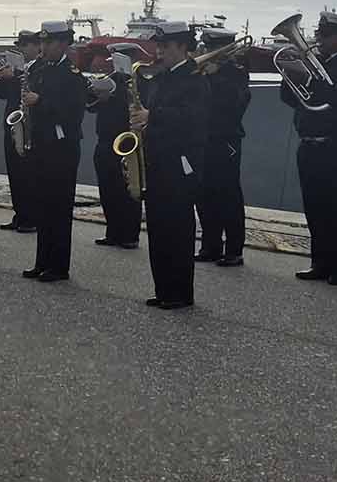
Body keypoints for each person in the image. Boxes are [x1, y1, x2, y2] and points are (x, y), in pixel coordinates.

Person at [279, 11, 337, 285]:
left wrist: (313, 81)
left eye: (324, 34)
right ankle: (320, 263)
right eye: (319, 33)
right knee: (315, 207)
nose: (318, 39)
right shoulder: (314, 63)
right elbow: (290, 98)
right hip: (310, 144)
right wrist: (291, 74)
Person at [134, 22, 208, 308]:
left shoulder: (195, 79)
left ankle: (180, 293)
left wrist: (151, 116)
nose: (159, 51)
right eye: (159, 46)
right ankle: (164, 288)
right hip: (158, 160)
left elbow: (192, 118)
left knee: (177, 229)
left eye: (165, 46)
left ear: (182, 47)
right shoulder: (162, 77)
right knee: (159, 228)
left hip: (179, 162)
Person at [22, 21, 87, 283]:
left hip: (62, 148)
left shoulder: (72, 75)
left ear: (62, 44)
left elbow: (73, 111)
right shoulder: (39, 69)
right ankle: (42, 261)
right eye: (42, 42)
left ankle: (58, 266)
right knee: (43, 206)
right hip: (41, 143)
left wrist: (40, 102)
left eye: (48, 42)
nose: (43, 47)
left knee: (59, 208)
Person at [195, 28, 252, 267]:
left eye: (212, 48)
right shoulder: (201, 72)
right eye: (206, 48)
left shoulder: (236, 72)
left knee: (228, 194)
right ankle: (211, 245)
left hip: (225, 139)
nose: (207, 52)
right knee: (203, 193)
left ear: (224, 49)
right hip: (203, 138)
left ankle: (234, 250)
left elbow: (235, 103)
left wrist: (216, 76)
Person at [87, 43, 142, 250]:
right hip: (105, 140)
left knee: (128, 189)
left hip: (126, 141)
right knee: (108, 189)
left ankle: (130, 234)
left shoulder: (139, 81)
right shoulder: (110, 79)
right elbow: (89, 104)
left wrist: (115, 95)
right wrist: (98, 93)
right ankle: (113, 231)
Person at [0, 31, 43, 234]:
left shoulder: (39, 68)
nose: (22, 49)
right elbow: (2, 94)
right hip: (14, 123)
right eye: (20, 46)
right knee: (14, 173)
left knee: (28, 174)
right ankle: (20, 214)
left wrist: (14, 77)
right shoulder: (18, 69)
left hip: (30, 126)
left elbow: (35, 89)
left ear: (36, 46)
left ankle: (31, 217)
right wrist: (2, 78)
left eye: (25, 45)